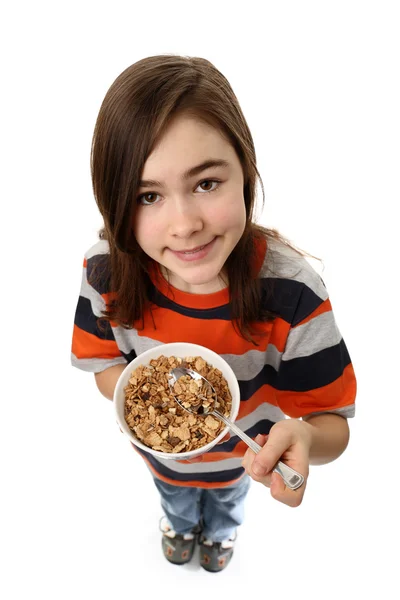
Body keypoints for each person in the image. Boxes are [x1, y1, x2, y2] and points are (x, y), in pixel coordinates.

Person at [71, 55, 357, 573]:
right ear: (114, 202)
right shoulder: (105, 271)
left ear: (245, 171)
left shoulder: (292, 291)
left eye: (206, 184)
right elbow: (103, 364)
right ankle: (179, 526)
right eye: (148, 196)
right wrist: (149, 403)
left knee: (226, 508)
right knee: (175, 501)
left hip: (240, 465)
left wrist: (308, 439)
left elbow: (332, 423)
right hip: (161, 461)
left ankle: (221, 537)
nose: (184, 225)